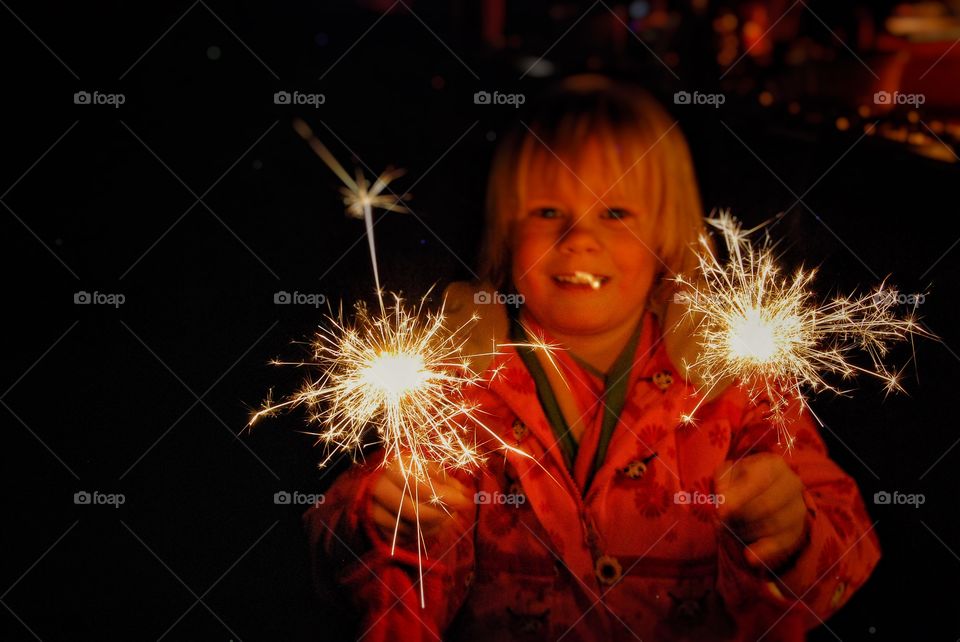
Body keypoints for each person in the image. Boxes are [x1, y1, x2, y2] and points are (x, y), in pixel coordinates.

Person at [304, 75, 880, 641]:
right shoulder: (459, 384)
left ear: (665, 236)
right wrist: (380, 518)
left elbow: (848, 555)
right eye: (547, 212)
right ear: (506, 233)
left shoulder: (735, 383)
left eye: (616, 213)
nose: (579, 237)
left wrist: (793, 533)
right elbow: (387, 575)